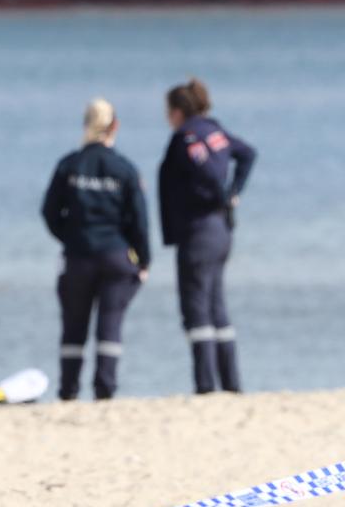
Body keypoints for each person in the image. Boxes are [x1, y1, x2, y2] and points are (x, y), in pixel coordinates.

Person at [42, 98, 150, 401]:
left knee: (73, 327)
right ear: (114, 126)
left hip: (78, 256)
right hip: (116, 255)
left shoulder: (69, 165)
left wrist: (70, 237)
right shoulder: (125, 169)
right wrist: (144, 260)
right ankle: (105, 390)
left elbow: (49, 212)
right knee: (110, 325)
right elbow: (139, 221)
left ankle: (68, 390)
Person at [158, 79, 256, 394]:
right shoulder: (215, 131)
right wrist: (233, 193)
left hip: (199, 230)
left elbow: (209, 173)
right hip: (221, 230)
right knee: (216, 306)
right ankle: (232, 384)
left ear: (176, 111)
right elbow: (248, 154)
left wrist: (222, 193)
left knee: (196, 308)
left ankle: (205, 386)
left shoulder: (186, 138)